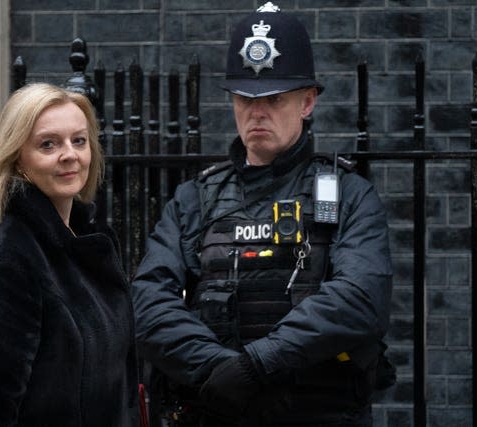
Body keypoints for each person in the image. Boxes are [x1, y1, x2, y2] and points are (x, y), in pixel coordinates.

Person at [132, 2, 393, 426]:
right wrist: (224, 374)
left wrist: (255, 367)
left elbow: (361, 299)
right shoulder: (193, 199)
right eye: (245, 99)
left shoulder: (348, 194)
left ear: (307, 102)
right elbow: (148, 305)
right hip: (216, 411)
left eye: (274, 99)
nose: (257, 112)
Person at [0, 83, 139, 426]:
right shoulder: (7, 262)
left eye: (79, 141)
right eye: (48, 144)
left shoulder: (83, 241)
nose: (69, 154)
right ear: (18, 158)